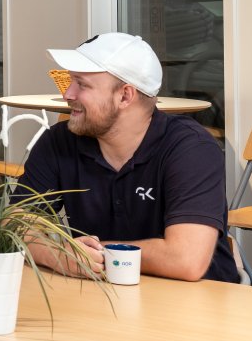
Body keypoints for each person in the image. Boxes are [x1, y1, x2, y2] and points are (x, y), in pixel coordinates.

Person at [18, 32, 240, 283]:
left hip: (200, 298)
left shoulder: (191, 149)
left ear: (125, 96)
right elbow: (15, 225)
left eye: (82, 84)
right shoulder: (58, 142)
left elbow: (186, 260)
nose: (68, 94)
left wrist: (92, 254)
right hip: (103, 295)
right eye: (71, 81)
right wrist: (58, 253)